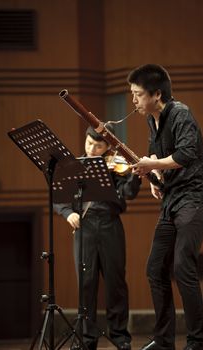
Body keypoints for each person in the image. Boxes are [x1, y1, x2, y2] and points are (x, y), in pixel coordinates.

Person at [127, 64, 203, 350]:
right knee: (155, 268)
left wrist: (151, 164)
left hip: (196, 197)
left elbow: (187, 153)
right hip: (173, 199)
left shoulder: (180, 113)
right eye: (132, 94)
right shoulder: (151, 120)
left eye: (138, 94)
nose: (134, 100)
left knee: (182, 265)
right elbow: (160, 153)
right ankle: (164, 342)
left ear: (156, 93)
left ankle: (195, 342)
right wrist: (156, 177)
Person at [54, 124, 141, 350]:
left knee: (116, 283)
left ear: (108, 147)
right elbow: (59, 196)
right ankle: (86, 339)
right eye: (89, 143)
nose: (92, 149)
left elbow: (129, 194)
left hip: (111, 224)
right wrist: (68, 212)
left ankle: (120, 337)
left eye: (98, 145)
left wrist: (135, 174)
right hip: (85, 226)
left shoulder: (116, 166)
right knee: (86, 283)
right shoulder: (75, 166)